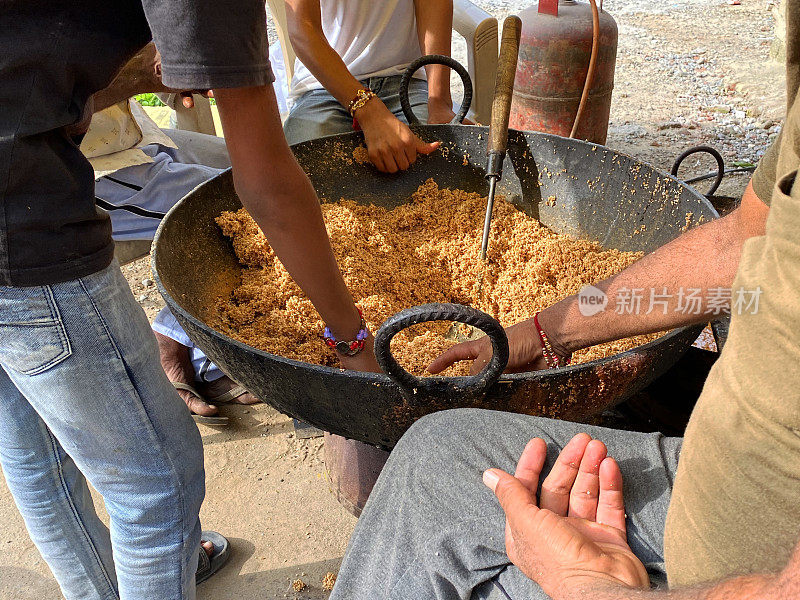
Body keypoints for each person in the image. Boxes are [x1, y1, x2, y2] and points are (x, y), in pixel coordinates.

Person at [329, 5, 800, 598]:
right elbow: (742, 241)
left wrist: (591, 587)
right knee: (432, 453)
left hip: (741, 561)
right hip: (713, 473)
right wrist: (547, 330)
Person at [1, 1, 380, 598]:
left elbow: (32, 71)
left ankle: (124, 578)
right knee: (158, 483)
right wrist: (352, 340)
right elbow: (268, 183)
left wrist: (143, 73)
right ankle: (152, 560)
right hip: (19, 223)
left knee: (34, 446)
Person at [85, 44, 259, 424]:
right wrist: (146, 72)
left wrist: (172, 66)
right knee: (249, 210)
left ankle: (192, 346)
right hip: (91, 166)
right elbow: (49, 105)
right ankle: (181, 347)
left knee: (253, 172)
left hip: (133, 137)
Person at [283, 0, 461, 171]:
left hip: (405, 81)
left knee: (442, 162)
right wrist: (370, 112)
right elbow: (303, 28)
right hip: (324, 84)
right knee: (306, 171)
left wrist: (439, 102)